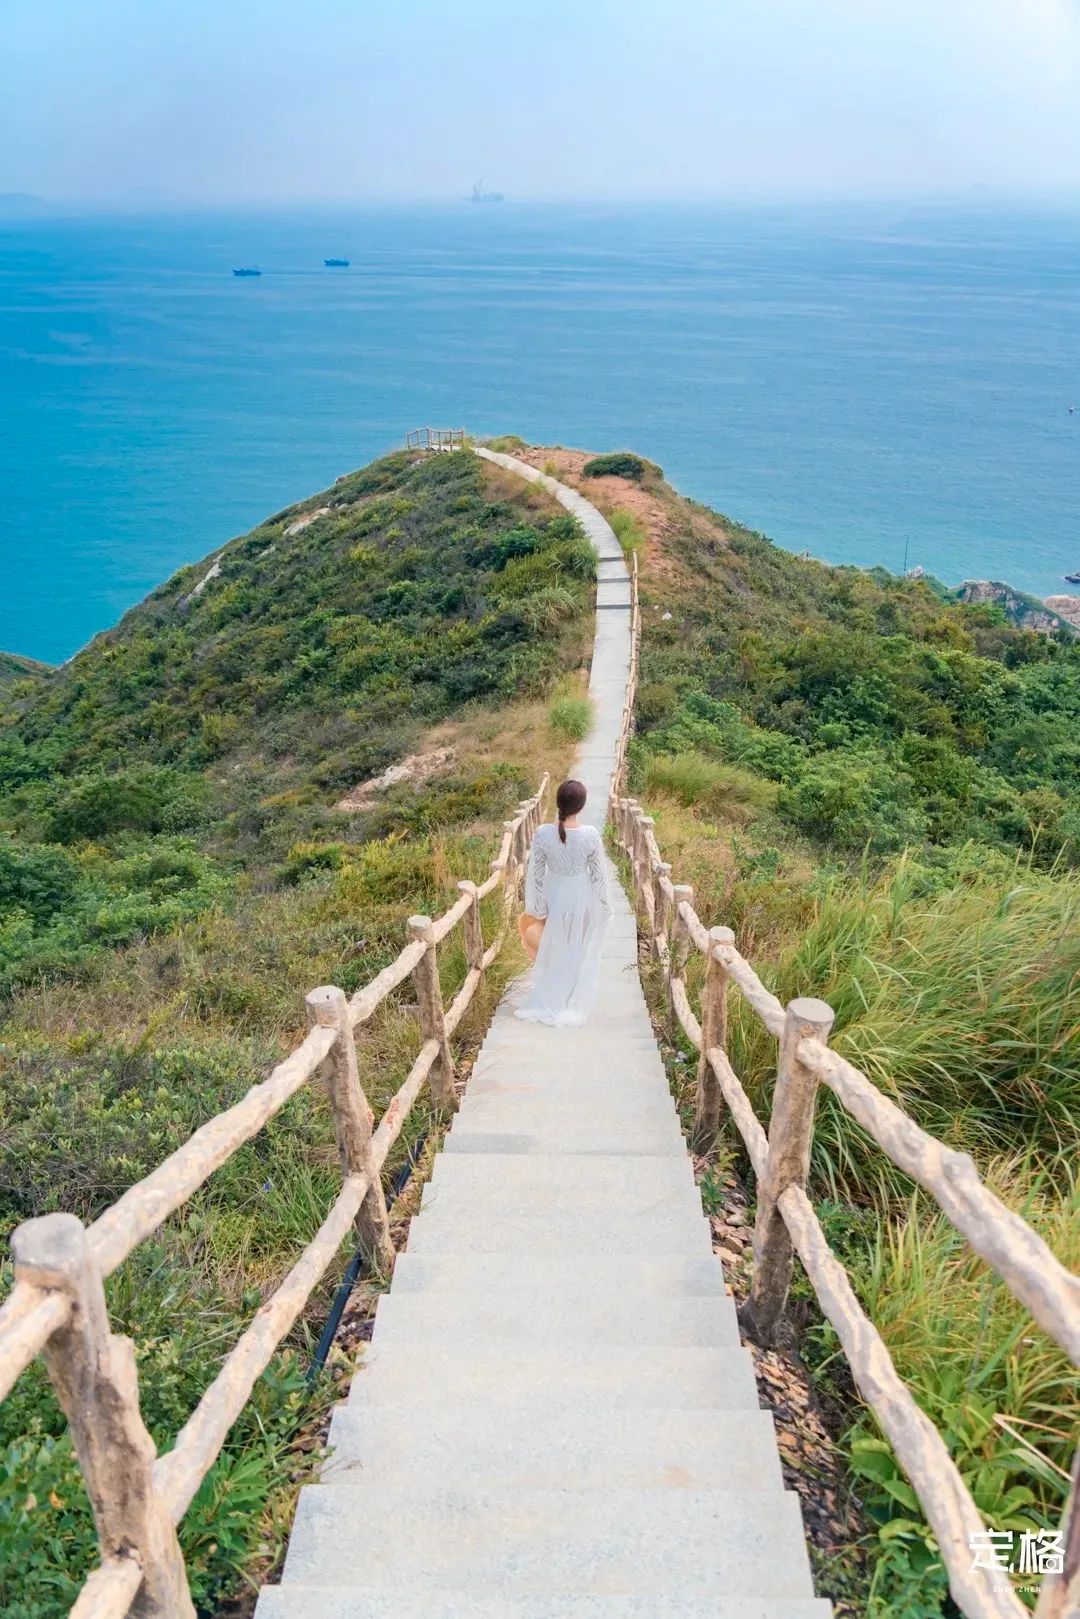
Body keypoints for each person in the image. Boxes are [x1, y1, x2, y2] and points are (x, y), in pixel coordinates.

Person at [514, 779, 612, 1028]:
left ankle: (552, 993)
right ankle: (569, 997)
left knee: (553, 944)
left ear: (559, 803)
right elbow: (599, 875)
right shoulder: (590, 835)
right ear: (581, 805)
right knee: (576, 945)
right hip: (581, 895)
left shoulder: (543, 833)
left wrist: (536, 906)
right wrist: (605, 905)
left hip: (553, 892)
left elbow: (535, 872)